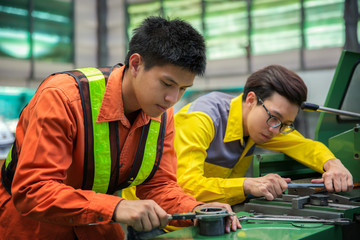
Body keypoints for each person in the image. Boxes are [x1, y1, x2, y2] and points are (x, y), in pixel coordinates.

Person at [0, 16, 240, 240]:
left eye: (183, 89)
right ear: (135, 64)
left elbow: (159, 185)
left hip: (97, 221)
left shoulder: (162, 114)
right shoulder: (63, 98)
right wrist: (117, 206)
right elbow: (34, 190)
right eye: (167, 83)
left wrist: (196, 210)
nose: (172, 98)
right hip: (31, 223)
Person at [174, 65, 353, 206]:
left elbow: (305, 145)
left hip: (219, 214)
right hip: (173, 224)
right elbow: (186, 186)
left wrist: (333, 165)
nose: (275, 131)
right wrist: (248, 184)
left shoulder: (264, 124)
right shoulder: (201, 119)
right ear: (251, 100)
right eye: (274, 118)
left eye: (285, 125)